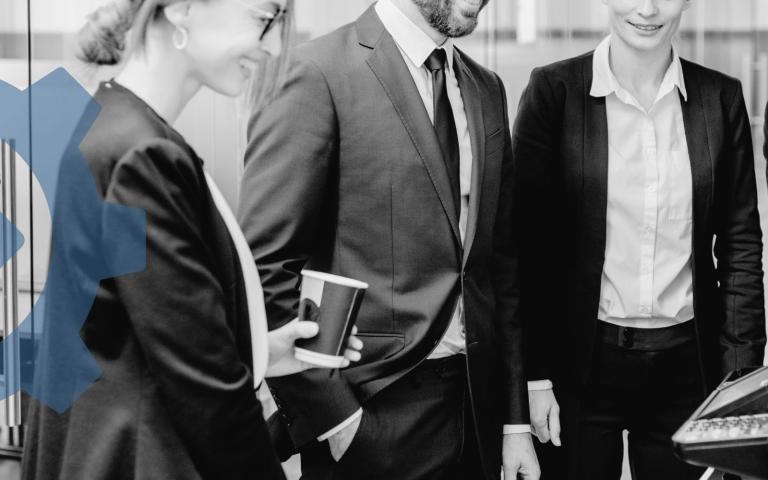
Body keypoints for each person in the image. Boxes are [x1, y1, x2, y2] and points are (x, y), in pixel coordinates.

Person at [21, 0, 362, 479]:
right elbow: (205, 390)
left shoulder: (110, 123)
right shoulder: (143, 155)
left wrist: (257, 352)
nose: (272, 47)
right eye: (263, 19)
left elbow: (137, 328)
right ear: (181, 9)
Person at [238, 0, 541, 479]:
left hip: (476, 414)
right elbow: (264, 267)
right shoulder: (314, 72)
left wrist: (513, 420)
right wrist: (337, 418)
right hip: (372, 411)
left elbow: (498, 267)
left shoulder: (487, 88)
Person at [512, 0, 766, 479]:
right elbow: (527, 249)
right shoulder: (554, 92)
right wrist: (534, 376)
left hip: (689, 369)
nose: (647, 9)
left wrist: (741, 387)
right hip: (579, 365)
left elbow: (740, 251)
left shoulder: (721, 97)